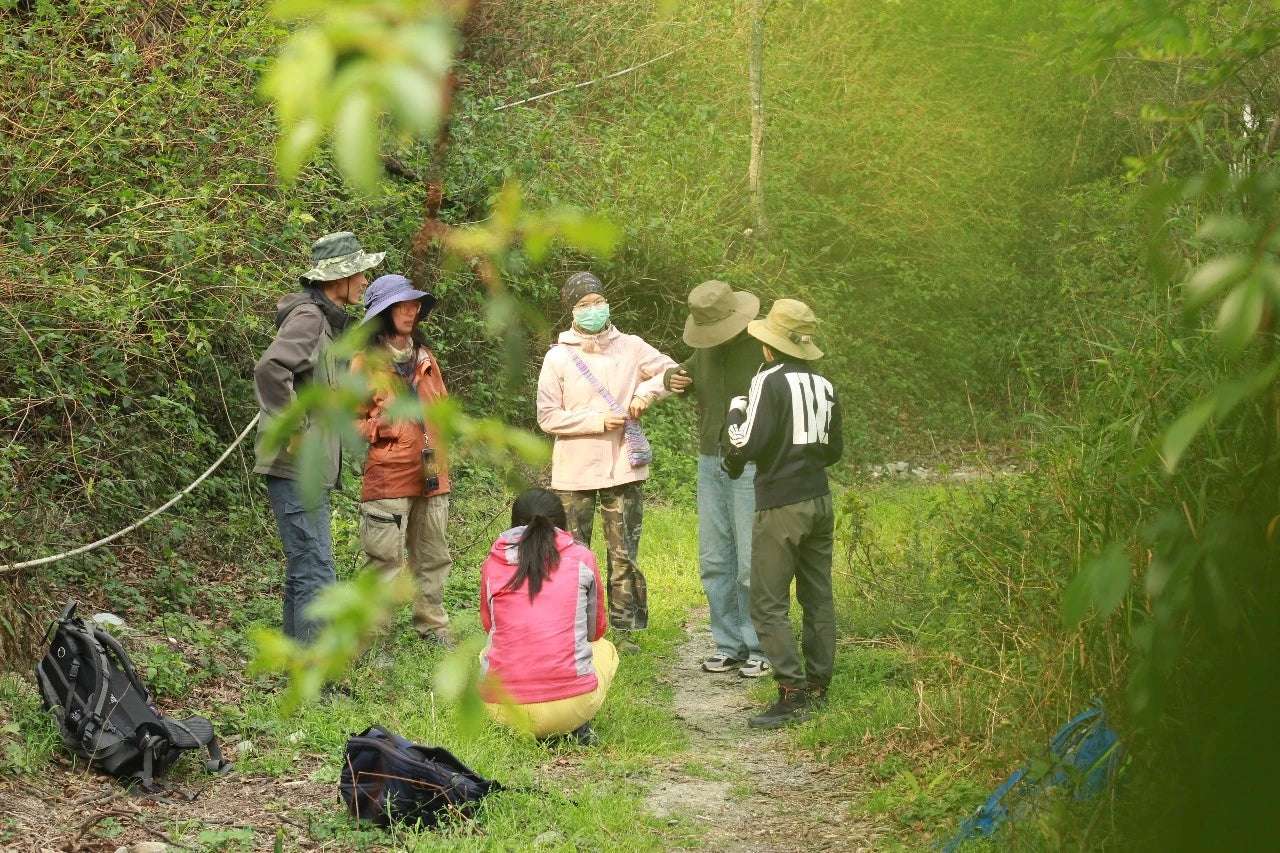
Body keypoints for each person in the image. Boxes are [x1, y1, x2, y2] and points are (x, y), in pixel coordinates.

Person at [253, 231, 384, 644]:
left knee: (303, 570)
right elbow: (271, 370)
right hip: (295, 468)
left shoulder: (324, 323)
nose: (365, 281)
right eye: (360, 272)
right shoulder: (309, 318)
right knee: (316, 569)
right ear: (338, 278)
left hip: (304, 472)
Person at [536, 272, 677, 653]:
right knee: (571, 553)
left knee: (623, 552)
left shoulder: (629, 346)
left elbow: (671, 371)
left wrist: (646, 393)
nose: (593, 309)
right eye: (584, 304)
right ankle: (574, 629)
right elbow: (547, 416)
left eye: (598, 301)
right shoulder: (559, 356)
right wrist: (597, 420)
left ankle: (626, 629)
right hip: (573, 472)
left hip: (622, 466)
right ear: (571, 310)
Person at [725, 298, 843, 728]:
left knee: (768, 601)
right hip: (819, 499)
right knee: (817, 596)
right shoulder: (824, 385)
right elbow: (834, 450)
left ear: (769, 347)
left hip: (780, 503)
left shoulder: (768, 381)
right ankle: (819, 683)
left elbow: (746, 443)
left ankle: (791, 694)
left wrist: (735, 410)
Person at [664, 280, 770, 678]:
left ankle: (761, 646)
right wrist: (673, 379)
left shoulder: (763, 345)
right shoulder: (704, 348)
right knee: (714, 558)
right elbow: (683, 374)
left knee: (749, 559)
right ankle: (728, 645)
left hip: (752, 462)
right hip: (711, 460)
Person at [351, 274, 455, 648]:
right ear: (383, 313)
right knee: (384, 563)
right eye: (402, 305)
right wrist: (381, 428)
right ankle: (374, 641)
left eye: (414, 305)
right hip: (387, 477)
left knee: (434, 557)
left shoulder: (426, 358)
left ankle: (434, 629)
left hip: (432, 474)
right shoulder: (365, 363)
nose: (411, 311)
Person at [479, 488, 617, 744]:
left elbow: (490, 627)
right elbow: (595, 631)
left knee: (485, 652)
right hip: (570, 708)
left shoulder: (493, 562)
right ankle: (578, 727)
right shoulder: (582, 559)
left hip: (503, 709)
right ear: (563, 524)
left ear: (514, 524)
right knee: (604, 647)